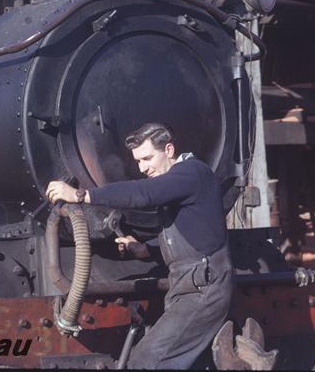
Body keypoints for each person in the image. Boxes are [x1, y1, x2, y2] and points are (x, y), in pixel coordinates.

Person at [46, 122, 234, 369]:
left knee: (147, 361)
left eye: (147, 158)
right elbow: (192, 231)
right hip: (186, 288)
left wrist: (81, 196)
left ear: (168, 150)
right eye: (138, 161)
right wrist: (147, 249)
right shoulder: (179, 184)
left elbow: (144, 193)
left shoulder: (192, 172)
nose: (143, 168)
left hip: (203, 289)